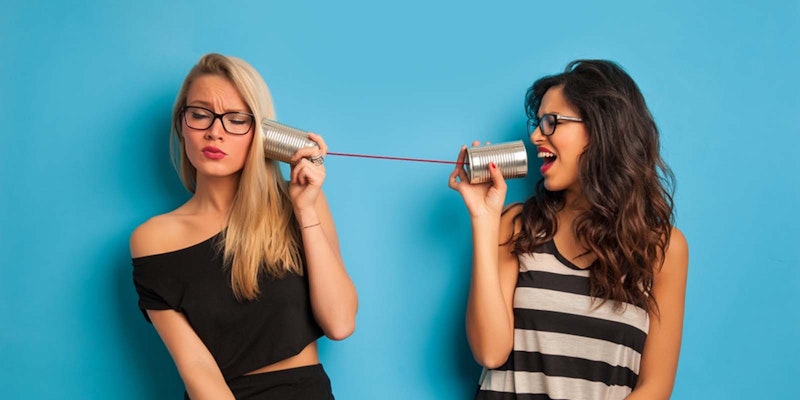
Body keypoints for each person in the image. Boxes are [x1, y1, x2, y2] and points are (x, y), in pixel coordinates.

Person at [449, 60, 688, 399]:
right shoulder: (516, 226)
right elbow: (490, 352)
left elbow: (656, 387)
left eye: (551, 123)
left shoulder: (663, 248)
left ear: (601, 128)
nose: (534, 136)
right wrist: (483, 220)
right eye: (537, 123)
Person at [130, 53, 357, 400]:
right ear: (181, 125)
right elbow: (196, 368)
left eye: (236, 119)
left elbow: (340, 323)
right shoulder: (154, 239)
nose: (214, 132)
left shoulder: (299, 205)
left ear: (260, 134)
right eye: (200, 115)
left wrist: (305, 210)